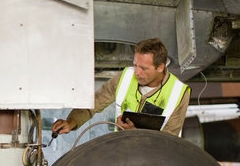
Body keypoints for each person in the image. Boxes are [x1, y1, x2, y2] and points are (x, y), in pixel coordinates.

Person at [51, 38, 191, 136]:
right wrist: (71, 122)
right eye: (135, 65)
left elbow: (169, 139)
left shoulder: (179, 92)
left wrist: (135, 134)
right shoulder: (125, 77)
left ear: (160, 67)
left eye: (144, 68)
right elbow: (94, 102)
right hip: (121, 151)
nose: (137, 72)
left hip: (153, 162)